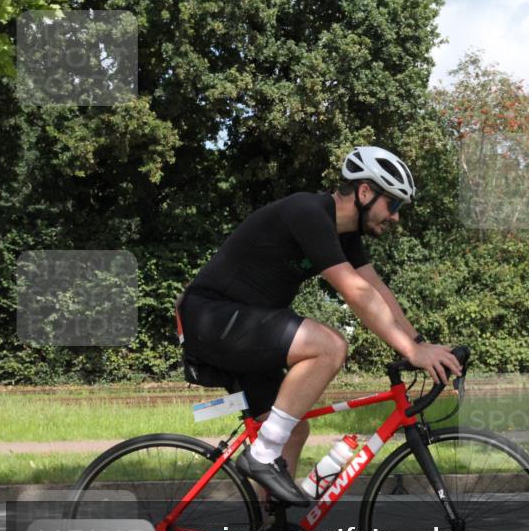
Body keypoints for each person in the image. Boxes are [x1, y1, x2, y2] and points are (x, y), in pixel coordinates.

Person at [176, 146, 462, 506]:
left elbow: (377, 290)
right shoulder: (308, 212)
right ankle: (261, 455)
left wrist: (420, 343)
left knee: (293, 431)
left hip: (240, 328)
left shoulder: (346, 236)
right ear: (365, 192)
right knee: (328, 345)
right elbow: (355, 293)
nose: (396, 217)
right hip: (211, 317)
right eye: (394, 205)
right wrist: (412, 352)